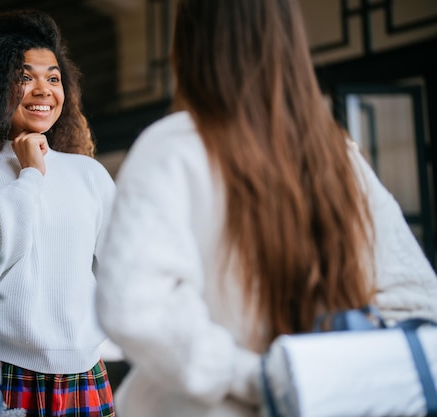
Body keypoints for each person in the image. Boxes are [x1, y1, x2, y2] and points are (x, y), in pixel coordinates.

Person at [95, 1, 437, 416]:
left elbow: (134, 308)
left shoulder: (172, 147)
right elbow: (417, 302)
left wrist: (257, 376)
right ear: (290, 41)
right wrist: (318, 380)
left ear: (187, 45)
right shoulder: (342, 161)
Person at [0, 9, 116, 416]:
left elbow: (123, 273)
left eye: (53, 78)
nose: (43, 90)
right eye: (24, 76)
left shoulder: (89, 172)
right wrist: (30, 177)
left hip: (84, 376)